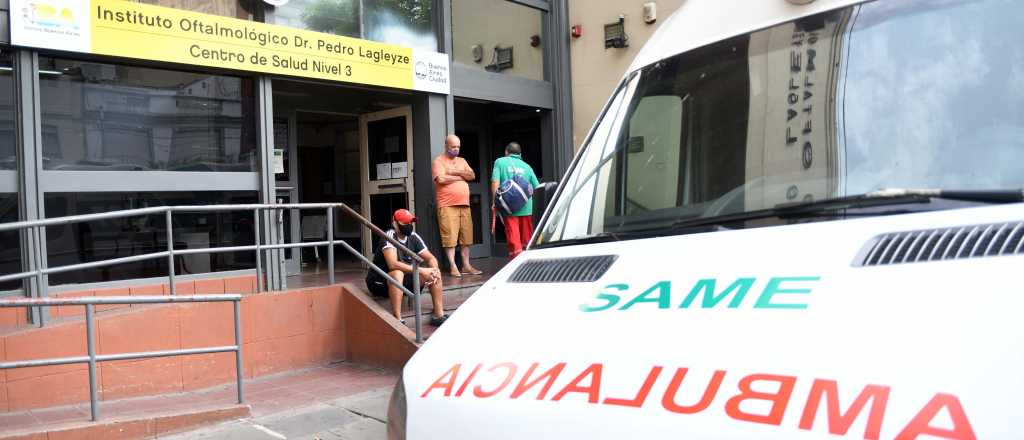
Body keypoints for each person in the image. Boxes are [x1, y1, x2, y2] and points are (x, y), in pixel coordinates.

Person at [365, 209, 448, 326]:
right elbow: (392, 264)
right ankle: (397, 319)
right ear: (395, 224)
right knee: (398, 272)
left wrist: (433, 270)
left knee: (434, 271)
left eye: (410, 222)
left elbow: (431, 258)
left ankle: (439, 315)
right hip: (379, 282)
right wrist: (422, 270)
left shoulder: (413, 237)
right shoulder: (389, 236)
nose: (409, 226)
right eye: (405, 223)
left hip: (403, 283)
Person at [431, 134, 484, 277]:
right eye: (453, 147)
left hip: (464, 204)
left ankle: (466, 266)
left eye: (458, 147)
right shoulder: (438, 161)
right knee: (450, 238)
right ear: (446, 146)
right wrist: (462, 176)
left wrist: (455, 172)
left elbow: (472, 175)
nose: (456, 149)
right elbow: (441, 179)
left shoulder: (462, 160)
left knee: (466, 237)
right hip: (447, 205)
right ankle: (453, 266)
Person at [490, 142, 540, 259]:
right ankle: (528, 265)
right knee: (527, 240)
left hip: (509, 207)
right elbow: (537, 187)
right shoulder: (527, 166)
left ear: (506, 152)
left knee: (514, 240)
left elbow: (495, 182)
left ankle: (515, 265)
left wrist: (495, 202)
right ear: (520, 154)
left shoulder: (500, 162)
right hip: (526, 207)